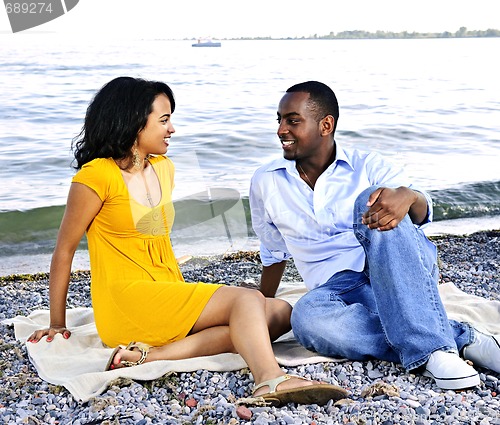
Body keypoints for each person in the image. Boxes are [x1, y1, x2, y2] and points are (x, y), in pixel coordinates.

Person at [27, 77, 347, 406]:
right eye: (164, 120)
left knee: (280, 312)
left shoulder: (164, 169)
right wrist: (56, 323)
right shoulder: (96, 177)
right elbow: (64, 251)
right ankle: (269, 379)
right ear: (134, 122)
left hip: (166, 290)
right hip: (127, 301)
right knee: (245, 301)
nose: (172, 129)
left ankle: (152, 355)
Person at [249, 80, 500, 391]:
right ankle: (460, 338)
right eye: (279, 120)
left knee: (373, 198)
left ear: (326, 125)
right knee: (307, 321)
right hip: (334, 290)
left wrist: (408, 196)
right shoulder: (266, 181)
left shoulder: (367, 165)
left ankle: (433, 351)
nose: (281, 130)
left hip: (393, 269)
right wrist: (261, 303)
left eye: (292, 120)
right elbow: (274, 251)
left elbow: (417, 214)